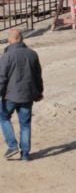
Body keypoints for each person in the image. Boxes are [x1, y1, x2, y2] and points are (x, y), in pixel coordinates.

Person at [0, 29, 44, 161]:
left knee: (3, 117)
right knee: (25, 124)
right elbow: (38, 76)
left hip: (10, 96)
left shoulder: (6, 56)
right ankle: (25, 154)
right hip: (28, 95)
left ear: (10, 39)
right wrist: (39, 92)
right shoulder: (32, 54)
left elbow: (2, 78)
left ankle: (12, 145)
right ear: (22, 38)